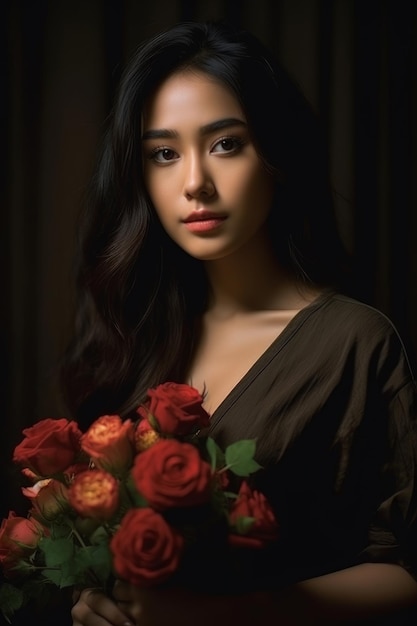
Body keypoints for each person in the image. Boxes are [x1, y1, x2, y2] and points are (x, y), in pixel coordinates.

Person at [64, 20, 417, 626]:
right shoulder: (135, 331)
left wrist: (239, 611)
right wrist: (95, 599)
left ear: (276, 155)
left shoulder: (356, 343)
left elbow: (406, 569)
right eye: (164, 154)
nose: (195, 182)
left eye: (225, 143)